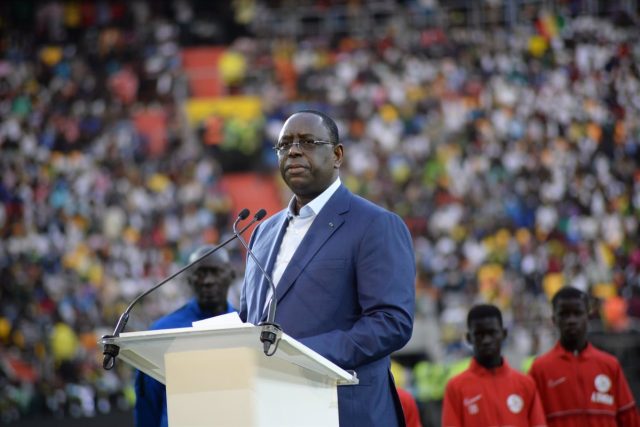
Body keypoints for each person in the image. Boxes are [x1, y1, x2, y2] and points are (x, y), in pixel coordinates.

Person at [239, 110, 416, 426]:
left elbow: (391, 323)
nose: (294, 151)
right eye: (284, 145)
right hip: (272, 408)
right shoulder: (262, 232)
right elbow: (249, 319)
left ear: (337, 155)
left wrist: (299, 355)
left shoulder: (375, 224)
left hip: (343, 409)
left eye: (307, 142)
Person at [134, 246, 236, 427]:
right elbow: (148, 405)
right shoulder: (162, 332)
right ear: (189, 279)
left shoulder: (247, 327)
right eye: (200, 273)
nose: (208, 281)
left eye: (216, 272)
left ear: (231, 276)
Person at [529, 287, 640, 427]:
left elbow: (629, 419)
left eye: (577, 313)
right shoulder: (540, 369)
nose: (571, 320)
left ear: (588, 316)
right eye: (564, 314)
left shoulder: (610, 365)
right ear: (554, 319)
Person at [442, 304, 547, 427]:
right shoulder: (456, 388)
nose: (486, 340)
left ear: (504, 334)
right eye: (479, 334)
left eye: (492, 333)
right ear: (469, 338)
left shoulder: (526, 384)